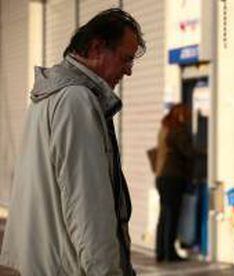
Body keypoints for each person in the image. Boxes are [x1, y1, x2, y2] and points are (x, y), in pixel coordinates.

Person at [0, 8, 145, 276]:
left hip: (45, 263)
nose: (129, 72)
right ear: (96, 47)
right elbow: (88, 205)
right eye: (125, 59)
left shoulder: (47, 96)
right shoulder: (76, 100)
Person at [155, 104, 193, 262]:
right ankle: (170, 253)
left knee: (164, 216)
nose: (188, 118)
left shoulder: (164, 127)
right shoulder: (178, 130)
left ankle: (161, 252)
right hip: (173, 177)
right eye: (186, 115)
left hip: (162, 177)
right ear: (180, 115)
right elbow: (188, 152)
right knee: (172, 215)